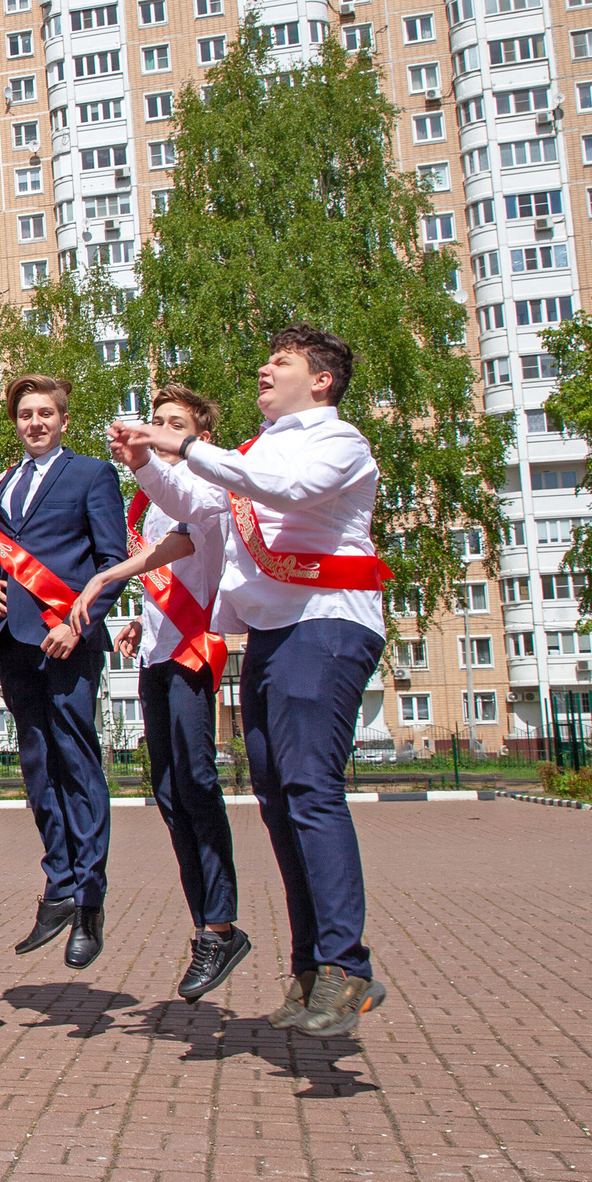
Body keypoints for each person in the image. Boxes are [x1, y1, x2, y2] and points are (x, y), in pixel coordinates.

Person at [112, 324, 395, 1038]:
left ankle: (346, 965)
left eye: (283, 361)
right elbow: (202, 508)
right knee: (275, 796)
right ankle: (310, 972)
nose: (265, 369)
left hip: (326, 625)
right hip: (272, 636)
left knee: (308, 789)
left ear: (322, 379)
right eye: (267, 358)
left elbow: (287, 491)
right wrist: (145, 464)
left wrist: (184, 446)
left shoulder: (337, 441)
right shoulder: (254, 449)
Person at [70, 384, 251, 1001]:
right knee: (171, 793)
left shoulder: (206, 484)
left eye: (176, 424)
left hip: (193, 651)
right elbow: (169, 568)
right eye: (157, 421)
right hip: (157, 651)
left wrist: (113, 575)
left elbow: (186, 543)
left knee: (197, 785)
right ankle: (208, 927)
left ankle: (220, 925)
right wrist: (139, 619)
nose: (162, 430)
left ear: (198, 433)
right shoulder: (154, 499)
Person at [0, 374, 128, 972]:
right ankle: (59, 884)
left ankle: (89, 899)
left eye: (45, 414)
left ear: (63, 420)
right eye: (25, 415)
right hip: (16, 644)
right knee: (38, 766)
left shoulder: (91, 475)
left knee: (75, 761)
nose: (34, 423)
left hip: (68, 641)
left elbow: (113, 563)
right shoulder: (1, 487)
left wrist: (80, 623)